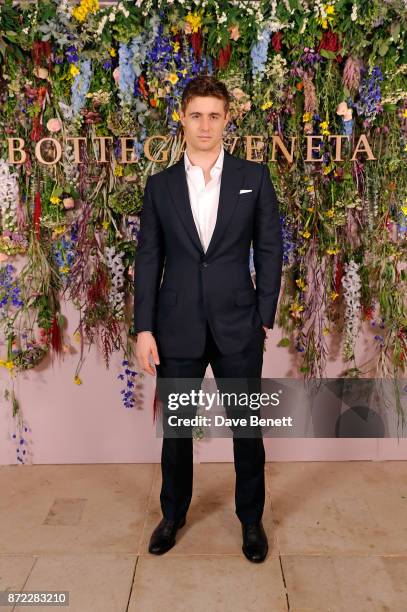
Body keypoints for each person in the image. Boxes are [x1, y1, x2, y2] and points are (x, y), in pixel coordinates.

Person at [134, 75, 283, 563]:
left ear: (226, 120)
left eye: (214, 115)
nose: (204, 124)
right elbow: (149, 259)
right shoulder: (159, 187)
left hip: (239, 324)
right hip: (176, 326)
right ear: (182, 117)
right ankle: (172, 515)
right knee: (177, 429)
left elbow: (268, 247)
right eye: (195, 114)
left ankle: (252, 521)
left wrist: (264, 312)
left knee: (247, 428)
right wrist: (143, 327)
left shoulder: (253, 177)